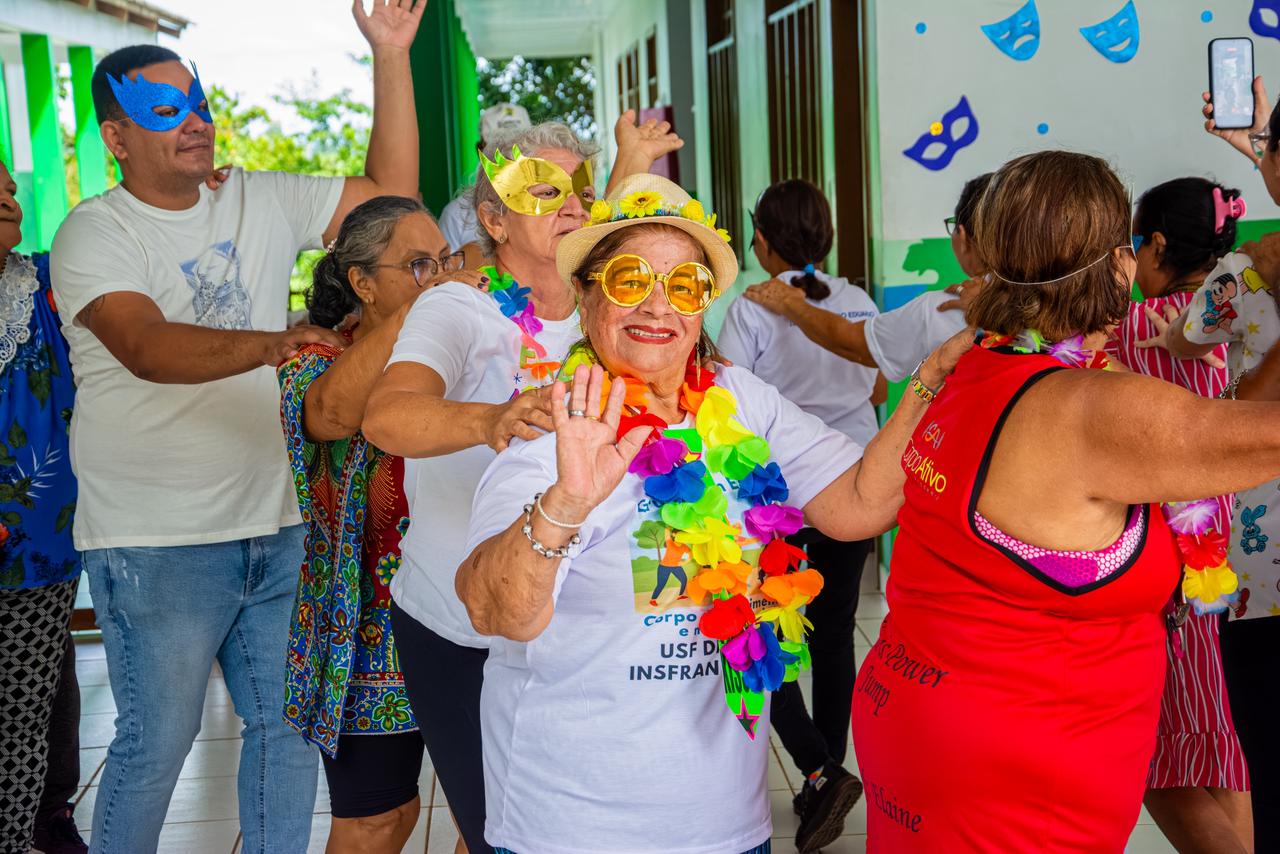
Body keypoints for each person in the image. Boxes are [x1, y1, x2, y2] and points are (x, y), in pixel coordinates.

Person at [451, 172, 969, 854]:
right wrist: (566, 503)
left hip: (730, 828)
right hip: (572, 828)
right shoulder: (551, 430)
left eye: (685, 286)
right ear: (585, 292)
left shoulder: (740, 399)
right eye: (630, 280)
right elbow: (496, 613)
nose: (658, 305)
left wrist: (927, 385)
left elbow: (859, 504)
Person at [48, 3, 427, 850]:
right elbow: (146, 347)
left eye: (199, 103)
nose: (195, 122)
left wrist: (390, 55)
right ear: (115, 138)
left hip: (275, 521)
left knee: (286, 732)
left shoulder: (259, 197)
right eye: (164, 110)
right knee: (156, 746)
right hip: (156, 540)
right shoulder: (94, 231)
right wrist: (274, 341)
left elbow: (389, 205)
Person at [849, 149, 1280, 852]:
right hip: (1008, 788)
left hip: (921, 723)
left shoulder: (979, 362)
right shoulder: (1091, 408)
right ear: (1118, 264)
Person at [363, 120, 679, 854]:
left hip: (576, 628)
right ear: (494, 220)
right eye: (543, 190)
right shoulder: (460, 308)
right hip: (460, 626)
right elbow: (386, 415)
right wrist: (493, 418)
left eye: (580, 191)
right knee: (497, 834)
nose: (570, 204)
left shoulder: (616, 309)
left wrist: (632, 160)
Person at [279, 197, 486, 852]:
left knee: (490, 821)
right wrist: (428, 308)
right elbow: (331, 414)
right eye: (419, 265)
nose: (439, 277)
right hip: (366, 635)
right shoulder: (315, 358)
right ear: (363, 283)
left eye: (444, 261)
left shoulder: (464, 356)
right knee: (379, 820)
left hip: (463, 615)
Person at [717, 178, 880, 852]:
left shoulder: (753, 306)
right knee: (834, 631)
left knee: (762, 631)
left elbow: (724, 400)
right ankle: (827, 769)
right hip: (853, 479)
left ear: (763, 239)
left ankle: (817, 768)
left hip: (776, 498)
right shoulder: (856, 301)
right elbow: (877, 384)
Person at [1110, 177, 1252, 852]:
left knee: (1161, 754)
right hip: (1240, 555)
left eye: (1134, 244)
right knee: (1220, 741)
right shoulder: (1247, 315)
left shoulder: (1140, 329)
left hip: (1175, 566)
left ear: (1158, 246)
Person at [0, 160, 83, 854]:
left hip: (36, 537)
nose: (9, 193)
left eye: (8, 183)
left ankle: (34, 827)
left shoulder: (48, 281)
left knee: (29, 702)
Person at [740, 172, 992, 382]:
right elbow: (877, 393)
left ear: (962, 235)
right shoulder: (857, 298)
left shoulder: (940, 309)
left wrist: (790, 303)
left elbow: (854, 344)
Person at [439, 103, 532, 254]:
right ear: (480, 150)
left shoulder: (555, 204)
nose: (511, 157)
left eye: (521, 148)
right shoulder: (456, 215)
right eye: (500, 149)